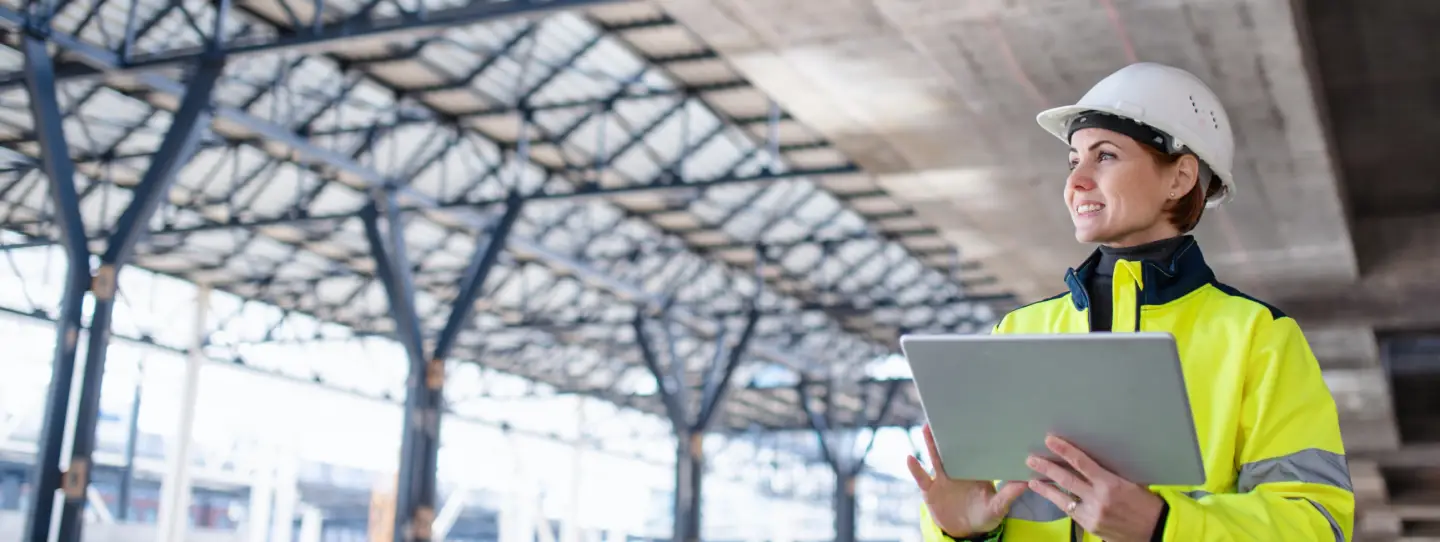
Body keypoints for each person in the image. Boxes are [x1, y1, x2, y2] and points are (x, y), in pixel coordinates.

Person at [907, 62, 1354, 541]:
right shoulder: (1016, 332)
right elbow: (988, 507)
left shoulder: (1256, 336)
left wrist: (1164, 526)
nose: (1075, 181)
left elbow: (1316, 525)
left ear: (1180, 178)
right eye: (1073, 160)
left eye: (1105, 156)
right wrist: (959, 533)